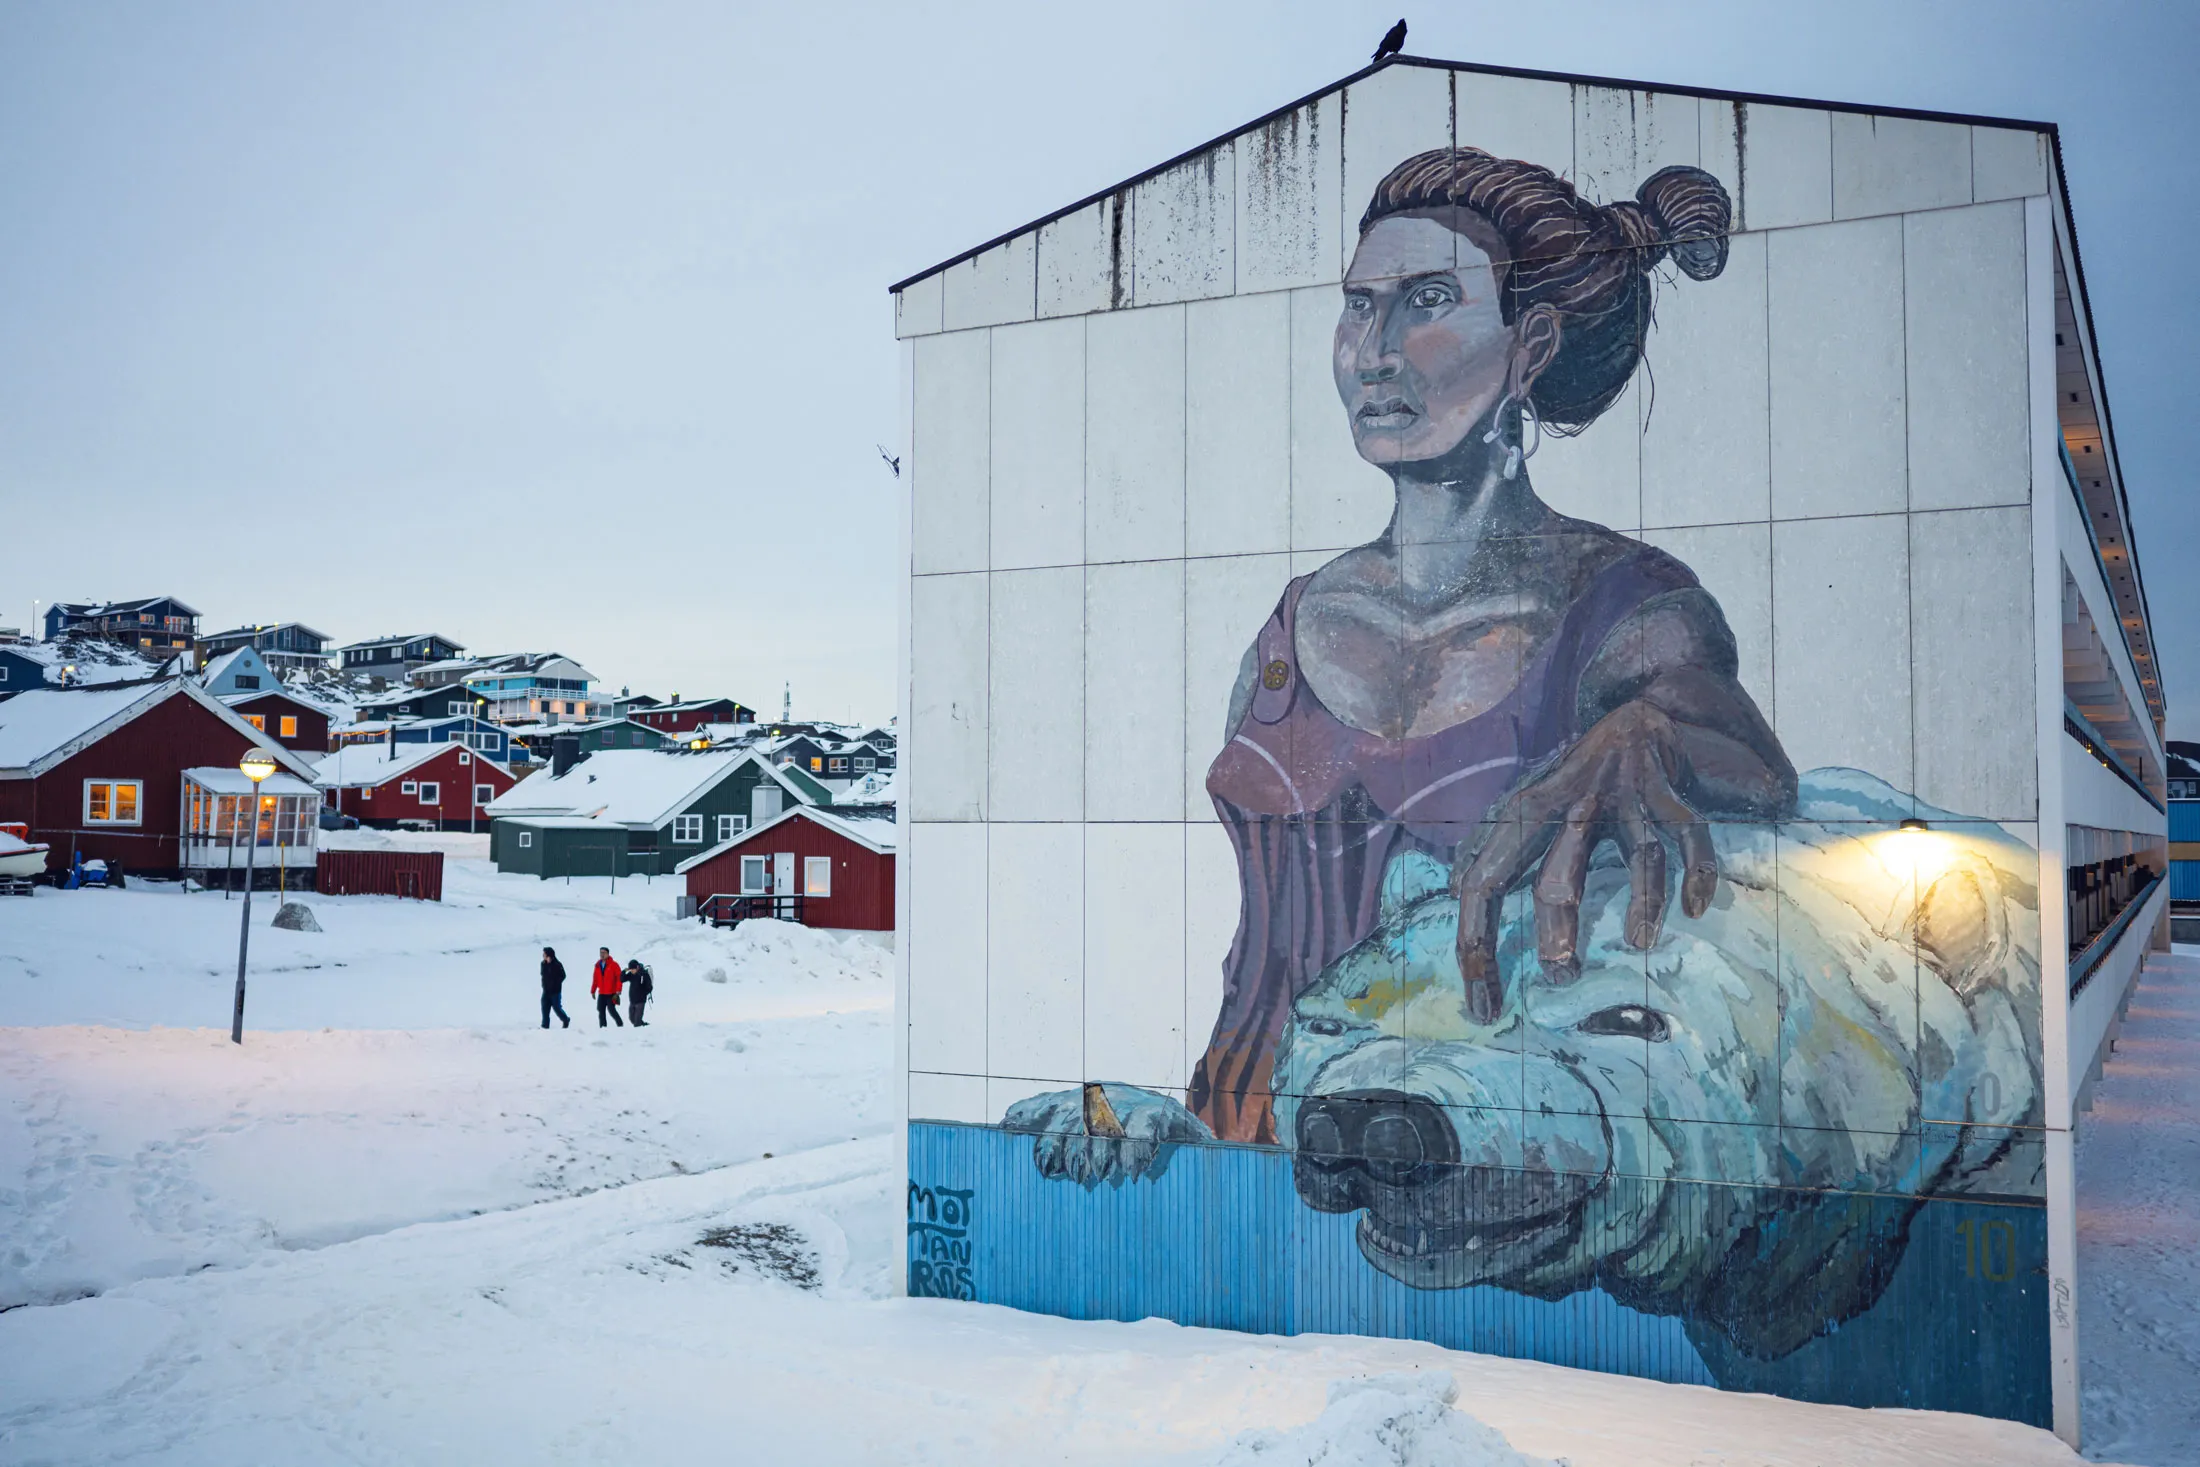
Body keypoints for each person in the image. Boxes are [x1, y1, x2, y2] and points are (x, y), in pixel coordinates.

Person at [1190, 147, 1797, 1145]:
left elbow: (1757, 771)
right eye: (1357, 306)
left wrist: (1644, 732)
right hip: (1242, 1143)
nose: (1374, 349)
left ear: (1531, 343)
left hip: (1467, 1156)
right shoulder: (1290, 626)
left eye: (1427, 300)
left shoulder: (1626, 610)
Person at [591, 946, 625, 1027]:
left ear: (608, 954)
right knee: (601, 1011)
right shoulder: (597, 965)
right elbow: (595, 979)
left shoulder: (614, 965)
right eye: (601, 953)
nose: (602, 954)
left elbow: (619, 978)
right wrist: (593, 990)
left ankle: (620, 1025)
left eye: (604, 953)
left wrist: (618, 990)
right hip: (602, 993)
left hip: (611, 993)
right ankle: (603, 1028)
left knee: (612, 1010)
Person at [539, 946, 569, 1029]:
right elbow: (543, 976)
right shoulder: (543, 964)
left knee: (557, 1008)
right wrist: (544, 985)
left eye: (544, 954)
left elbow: (563, 976)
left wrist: (555, 984)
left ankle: (565, 1019)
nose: (543, 956)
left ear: (549, 955)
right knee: (545, 1008)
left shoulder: (557, 964)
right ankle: (545, 1026)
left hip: (555, 992)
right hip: (546, 991)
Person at [624, 957, 654, 1026]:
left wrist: (643, 993)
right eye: (630, 969)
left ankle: (641, 1033)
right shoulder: (631, 974)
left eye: (632, 969)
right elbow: (622, 979)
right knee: (632, 1019)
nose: (631, 970)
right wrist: (624, 971)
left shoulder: (644, 974)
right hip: (632, 1001)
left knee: (637, 1023)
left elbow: (649, 987)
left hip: (641, 1001)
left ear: (637, 967)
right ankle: (644, 1026)